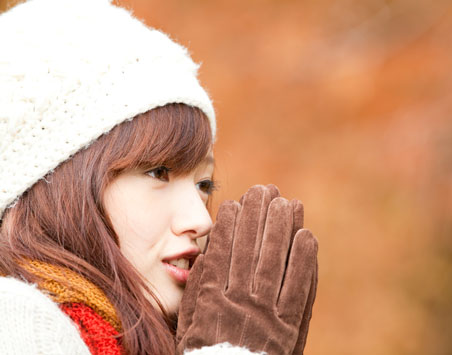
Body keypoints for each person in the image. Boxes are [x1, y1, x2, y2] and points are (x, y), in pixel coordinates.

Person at [0, 0, 318, 354]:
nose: (200, 220)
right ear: (56, 189)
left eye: (203, 185)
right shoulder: (15, 316)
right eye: (158, 171)